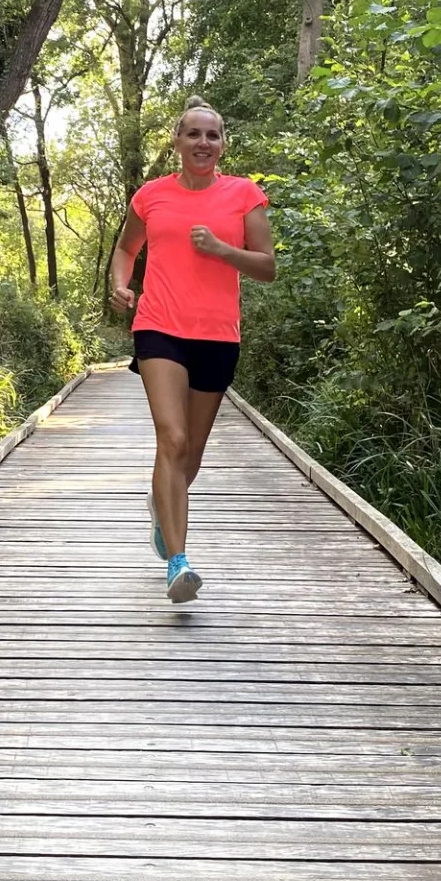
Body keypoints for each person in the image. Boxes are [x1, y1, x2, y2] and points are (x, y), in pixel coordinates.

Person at [109, 95, 277, 602]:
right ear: (177, 142)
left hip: (218, 334)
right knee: (173, 437)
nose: (203, 143)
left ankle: (162, 504)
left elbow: (266, 266)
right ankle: (178, 563)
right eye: (193, 134)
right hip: (159, 326)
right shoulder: (151, 196)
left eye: (213, 135)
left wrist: (223, 251)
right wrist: (121, 283)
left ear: (222, 144)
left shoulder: (245, 195)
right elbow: (125, 249)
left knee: (191, 457)